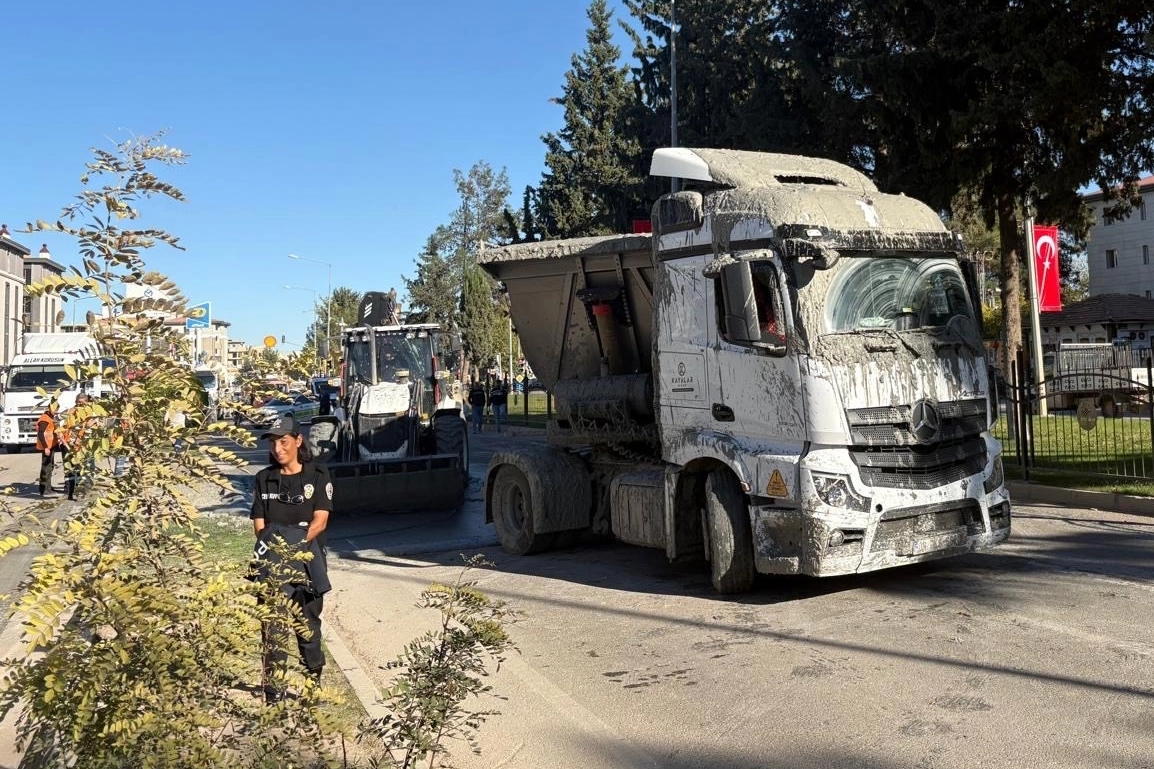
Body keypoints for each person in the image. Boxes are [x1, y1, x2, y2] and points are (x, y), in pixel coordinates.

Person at [249, 415, 333, 704]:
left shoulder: (318, 475)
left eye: (283, 441)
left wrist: (293, 547)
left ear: (298, 441)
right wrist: (277, 553)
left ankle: (312, 684)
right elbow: (259, 525)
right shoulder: (264, 479)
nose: (278, 449)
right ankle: (274, 691)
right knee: (272, 628)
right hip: (272, 563)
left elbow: (320, 521)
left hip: (308, 561)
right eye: (273, 443)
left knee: (307, 626)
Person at [59, 393, 91, 500]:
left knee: (81, 469)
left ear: (87, 402)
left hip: (82, 445)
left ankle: (80, 491)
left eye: (83, 403)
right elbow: (57, 420)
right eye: (78, 402)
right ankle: (69, 491)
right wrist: (60, 435)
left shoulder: (90, 413)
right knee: (69, 469)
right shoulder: (69, 412)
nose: (80, 405)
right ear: (75, 402)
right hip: (67, 443)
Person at [35, 399, 60, 498]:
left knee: (50, 466)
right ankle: (45, 490)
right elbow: (41, 433)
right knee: (46, 467)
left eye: (57, 409)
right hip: (46, 446)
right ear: (49, 408)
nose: (55, 411)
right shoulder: (45, 419)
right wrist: (46, 447)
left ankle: (47, 487)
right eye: (54, 409)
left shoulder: (51, 417)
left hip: (50, 446)